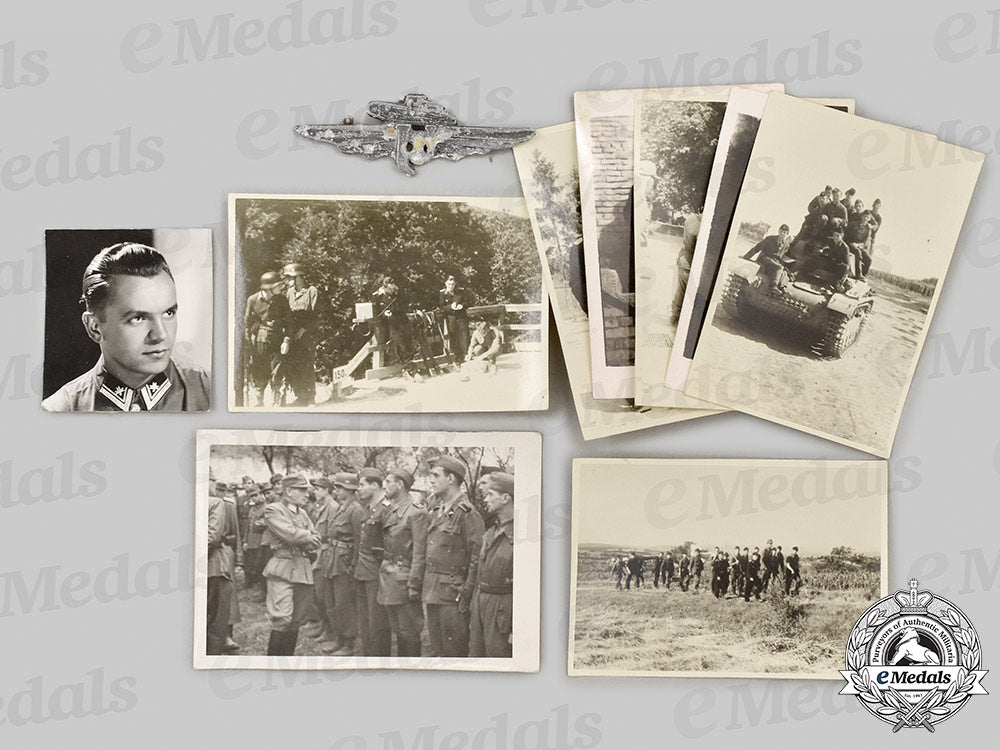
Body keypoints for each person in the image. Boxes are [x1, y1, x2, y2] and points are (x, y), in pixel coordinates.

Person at [43, 243, 210, 412]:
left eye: (168, 313)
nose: (160, 335)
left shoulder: (212, 392)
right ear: (94, 328)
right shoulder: (58, 411)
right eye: (138, 318)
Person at [423, 455, 485, 658]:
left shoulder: (467, 513)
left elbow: (477, 557)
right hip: (433, 589)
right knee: (438, 648)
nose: (431, 480)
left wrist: (465, 593)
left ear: (450, 479)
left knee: (453, 652)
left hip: (453, 592)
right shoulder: (436, 509)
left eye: (435, 475)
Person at [261, 476, 322, 656]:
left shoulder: (302, 513)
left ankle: (287, 662)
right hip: (283, 568)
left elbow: (316, 539)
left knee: (296, 620)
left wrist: (304, 537)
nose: (306, 494)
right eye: (301, 490)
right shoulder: (273, 510)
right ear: (288, 491)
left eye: (306, 490)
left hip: (302, 569)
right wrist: (306, 536)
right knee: (282, 619)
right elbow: (289, 534)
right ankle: (274, 664)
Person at [377, 468, 429, 657]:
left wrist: (414, 584)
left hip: (404, 579)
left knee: (409, 631)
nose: (385, 485)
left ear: (400, 485)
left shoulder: (416, 513)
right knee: (398, 629)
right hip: (389, 577)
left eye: (389, 481)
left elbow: (419, 552)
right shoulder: (392, 510)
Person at [469, 472, 515, 658]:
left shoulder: (522, 536)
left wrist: (516, 627)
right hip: (481, 607)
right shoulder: (491, 532)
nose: (485, 499)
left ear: (505, 498)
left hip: (503, 612)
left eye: (490, 495)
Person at [320, 473, 365, 655]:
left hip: (344, 562)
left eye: (339, 488)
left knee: (343, 604)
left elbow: (359, 541)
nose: (336, 491)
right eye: (336, 488)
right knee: (331, 600)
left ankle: (348, 642)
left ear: (349, 489)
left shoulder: (355, 509)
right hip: (333, 560)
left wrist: (353, 565)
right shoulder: (341, 507)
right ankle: (339, 638)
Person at [354, 468, 392, 657]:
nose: (358, 489)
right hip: (363, 570)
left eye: (362, 485)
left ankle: (378, 660)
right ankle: (368, 656)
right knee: (365, 620)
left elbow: (390, 544)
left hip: (377, 573)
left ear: (375, 485)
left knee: (377, 622)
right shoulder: (369, 508)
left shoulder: (386, 509)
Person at [243, 271, 291, 407]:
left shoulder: (282, 300)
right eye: (278, 286)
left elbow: (289, 323)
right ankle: (259, 403)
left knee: (278, 372)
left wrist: (286, 340)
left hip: (277, 339)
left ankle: (278, 404)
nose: (281, 288)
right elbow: (247, 322)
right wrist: (249, 340)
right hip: (259, 340)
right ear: (268, 287)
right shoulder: (252, 299)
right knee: (259, 372)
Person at [207, 481, 241, 654]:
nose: (219, 492)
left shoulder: (228, 505)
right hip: (211, 557)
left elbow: (236, 533)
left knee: (227, 598)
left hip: (223, 552)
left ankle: (227, 634)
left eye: (222, 489)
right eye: (217, 489)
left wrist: (239, 558)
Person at [281, 263, 320, 406]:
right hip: (292, 334)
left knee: (307, 365)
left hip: (307, 334)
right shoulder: (289, 292)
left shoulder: (311, 291)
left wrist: (304, 329)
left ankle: (311, 397)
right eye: (288, 277)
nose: (289, 280)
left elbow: (316, 315)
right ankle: (300, 396)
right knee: (293, 365)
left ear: (300, 277)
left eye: (292, 277)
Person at [371, 277, 412, 370]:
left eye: (393, 288)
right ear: (384, 288)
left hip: (399, 322)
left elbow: (402, 308)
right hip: (387, 325)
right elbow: (376, 314)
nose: (392, 291)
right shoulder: (378, 298)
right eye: (390, 289)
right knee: (398, 338)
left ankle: (409, 362)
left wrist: (398, 292)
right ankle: (406, 365)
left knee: (407, 334)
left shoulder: (396, 296)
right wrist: (384, 314)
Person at [670, 212, 701, 326]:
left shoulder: (691, 218)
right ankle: (681, 320)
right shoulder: (702, 225)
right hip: (690, 261)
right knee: (689, 294)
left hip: (683, 257)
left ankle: (674, 316)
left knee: (681, 290)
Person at [743, 224, 791, 290]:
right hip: (765, 258)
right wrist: (746, 257)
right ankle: (773, 286)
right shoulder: (769, 239)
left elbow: (782, 256)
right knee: (779, 267)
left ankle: (783, 287)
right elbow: (757, 247)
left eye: (785, 233)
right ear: (779, 231)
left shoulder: (786, 245)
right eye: (782, 231)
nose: (783, 234)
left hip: (774, 262)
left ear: (787, 235)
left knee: (784, 272)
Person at [438, 274, 471, 365]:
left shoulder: (460, 292)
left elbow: (469, 302)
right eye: (449, 284)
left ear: (455, 284)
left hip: (461, 317)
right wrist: (450, 307)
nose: (450, 286)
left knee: (464, 338)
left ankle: (466, 357)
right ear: (445, 283)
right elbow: (441, 306)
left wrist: (462, 306)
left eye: (452, 284)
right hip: (451, 318)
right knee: (454, 338)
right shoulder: (442, 294)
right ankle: (458, 359)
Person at [460, 316, 503, 380]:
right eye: (481, 330)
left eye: (485, 330)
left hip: (493, 349)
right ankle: (484, 364)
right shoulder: (476, 333)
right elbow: (471, 345)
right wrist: (469, 354)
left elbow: (495, 348)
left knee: (492, 360)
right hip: (484, 348)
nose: (483, 331)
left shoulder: (494, 332)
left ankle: (491, 363)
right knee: (477, 349)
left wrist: (483, 355)